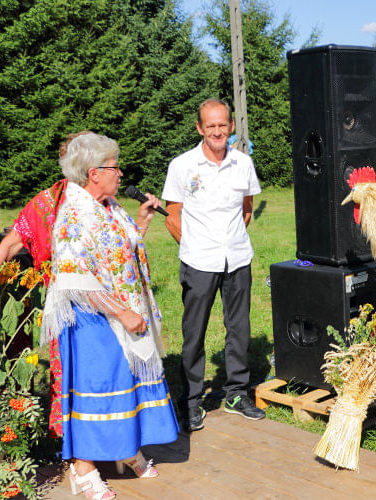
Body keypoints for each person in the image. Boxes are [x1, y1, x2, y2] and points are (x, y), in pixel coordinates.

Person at [42, 132, 178, 499]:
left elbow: (122, 247)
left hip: (121, 310)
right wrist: (121, 311)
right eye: (115, 167)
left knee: (128, 380)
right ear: (93, 173)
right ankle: (83, 469)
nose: (121, 174)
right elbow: (74, 279)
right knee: (100, 386)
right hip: (93, 318)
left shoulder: (108, 205)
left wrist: (142, 220)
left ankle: (125, 447)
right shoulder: (74, 212)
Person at [0, 131, 91, 439]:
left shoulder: (104, 199)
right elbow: (12, 243)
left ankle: (103, 436)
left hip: (104, 302)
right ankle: (67, 438)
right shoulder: (48, 202)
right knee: (65, 368)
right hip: (66, 303)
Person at [162, 98, 264, 431]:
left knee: (239, 329)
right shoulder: (182, 165)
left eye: (223, 125)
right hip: (199, 261)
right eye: (211, 126)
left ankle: (236, 393)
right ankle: (191, 402)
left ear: (231, 126)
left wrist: (229, 240)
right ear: (200, 128)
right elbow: (172, 215)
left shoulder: (243, 164)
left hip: (237, 258)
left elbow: (246, 209)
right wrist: (193, 245)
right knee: (194, 334)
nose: (217, 131)